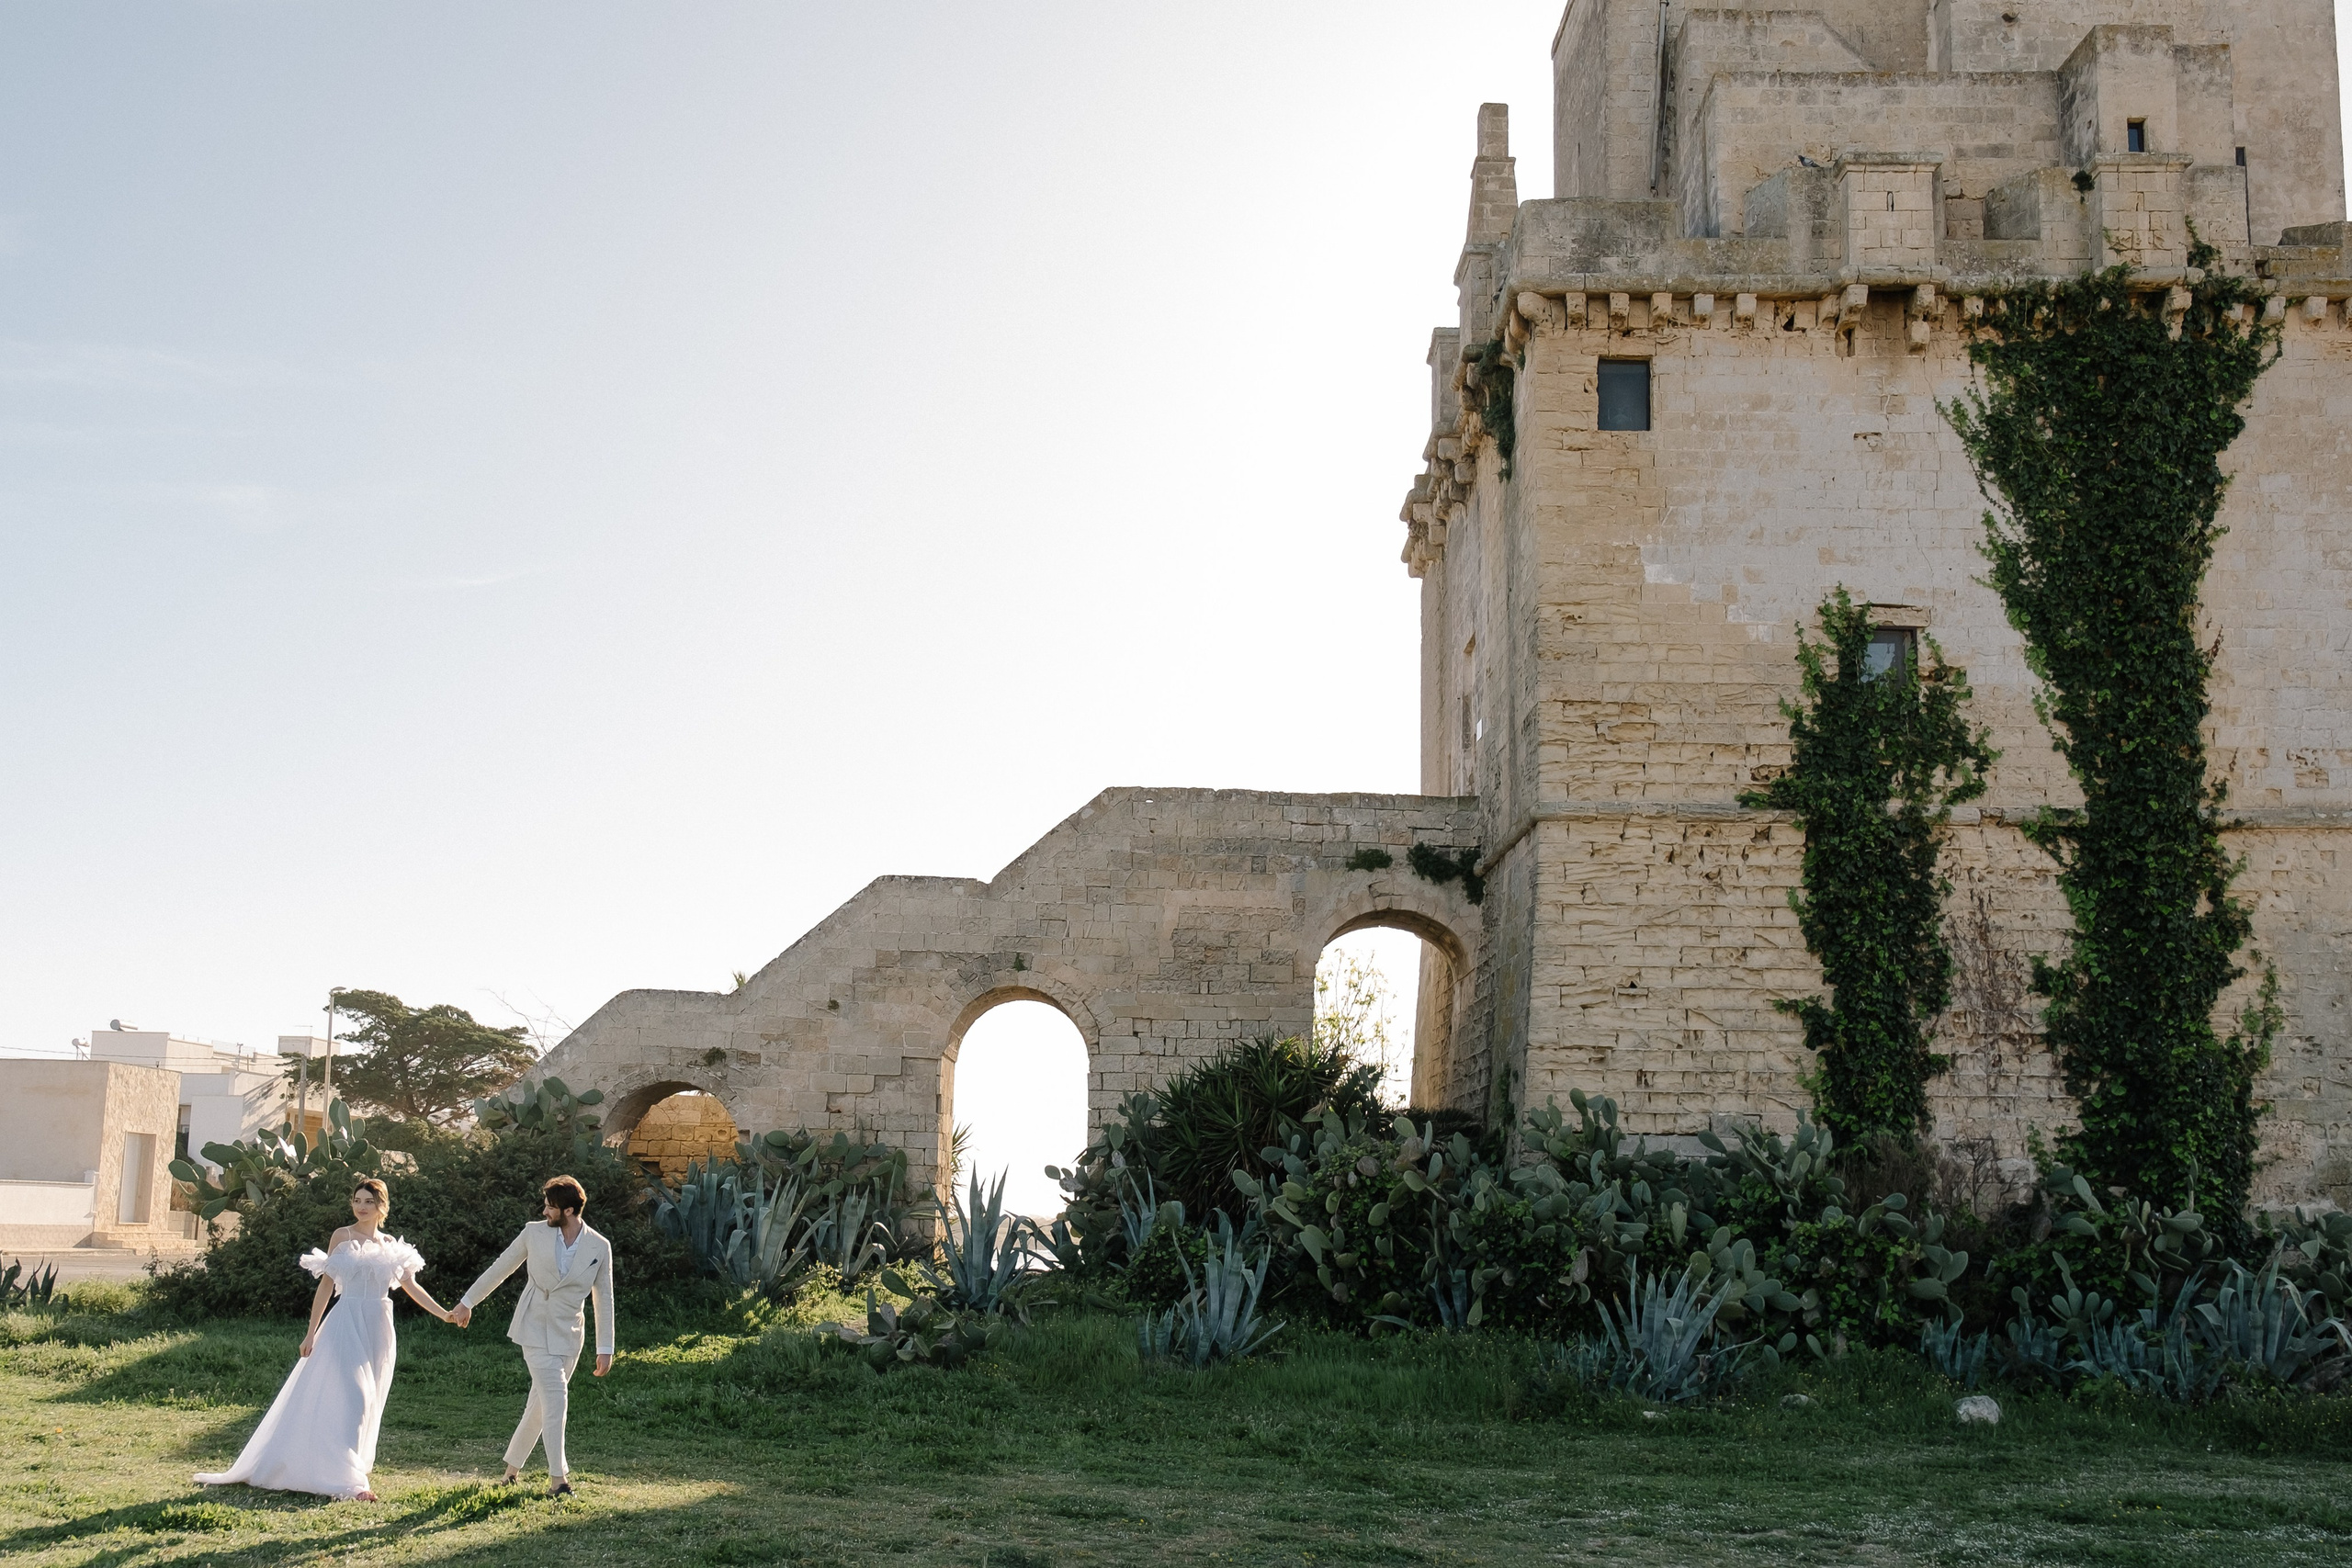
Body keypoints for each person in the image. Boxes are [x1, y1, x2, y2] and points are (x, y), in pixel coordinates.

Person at [195, 1176, 455, 1502]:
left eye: (369, 1202)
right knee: (355, 1397)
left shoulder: (391, 1244)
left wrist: (444, 1313)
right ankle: (351, 1484)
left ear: (381, 1207)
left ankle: (348, 1465)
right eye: (357, 1201)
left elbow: (411, 1286)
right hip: (345, 1322)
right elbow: (327, 1285)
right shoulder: (342, 1237)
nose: (361, 1207)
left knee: (371, 1399)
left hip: (378, 1325)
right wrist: (310, 1332)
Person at [450, 1174, 616, 1498]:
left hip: (570, 1334)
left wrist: (605, 1347)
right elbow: (500, 1268)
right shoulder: (533, 1233)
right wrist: (467, 1302)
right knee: (556, 1399)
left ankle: (511, 1471)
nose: (544, 1211)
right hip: (534, 1328)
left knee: (540, 1405)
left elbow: (604, 1298)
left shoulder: (600, 1246)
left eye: (550, 1207)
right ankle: (559, 1480)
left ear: (568, 1211)